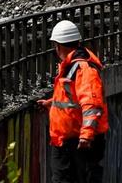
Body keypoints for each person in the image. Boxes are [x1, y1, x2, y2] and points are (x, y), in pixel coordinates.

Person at [37, 20, 108, 183]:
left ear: (58, 45)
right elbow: (72, 99)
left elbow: (92, 105)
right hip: (68, 141)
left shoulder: (83, 70)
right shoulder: (72, 67)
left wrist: (86, 135)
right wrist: (51, 103)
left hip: (78, 142)